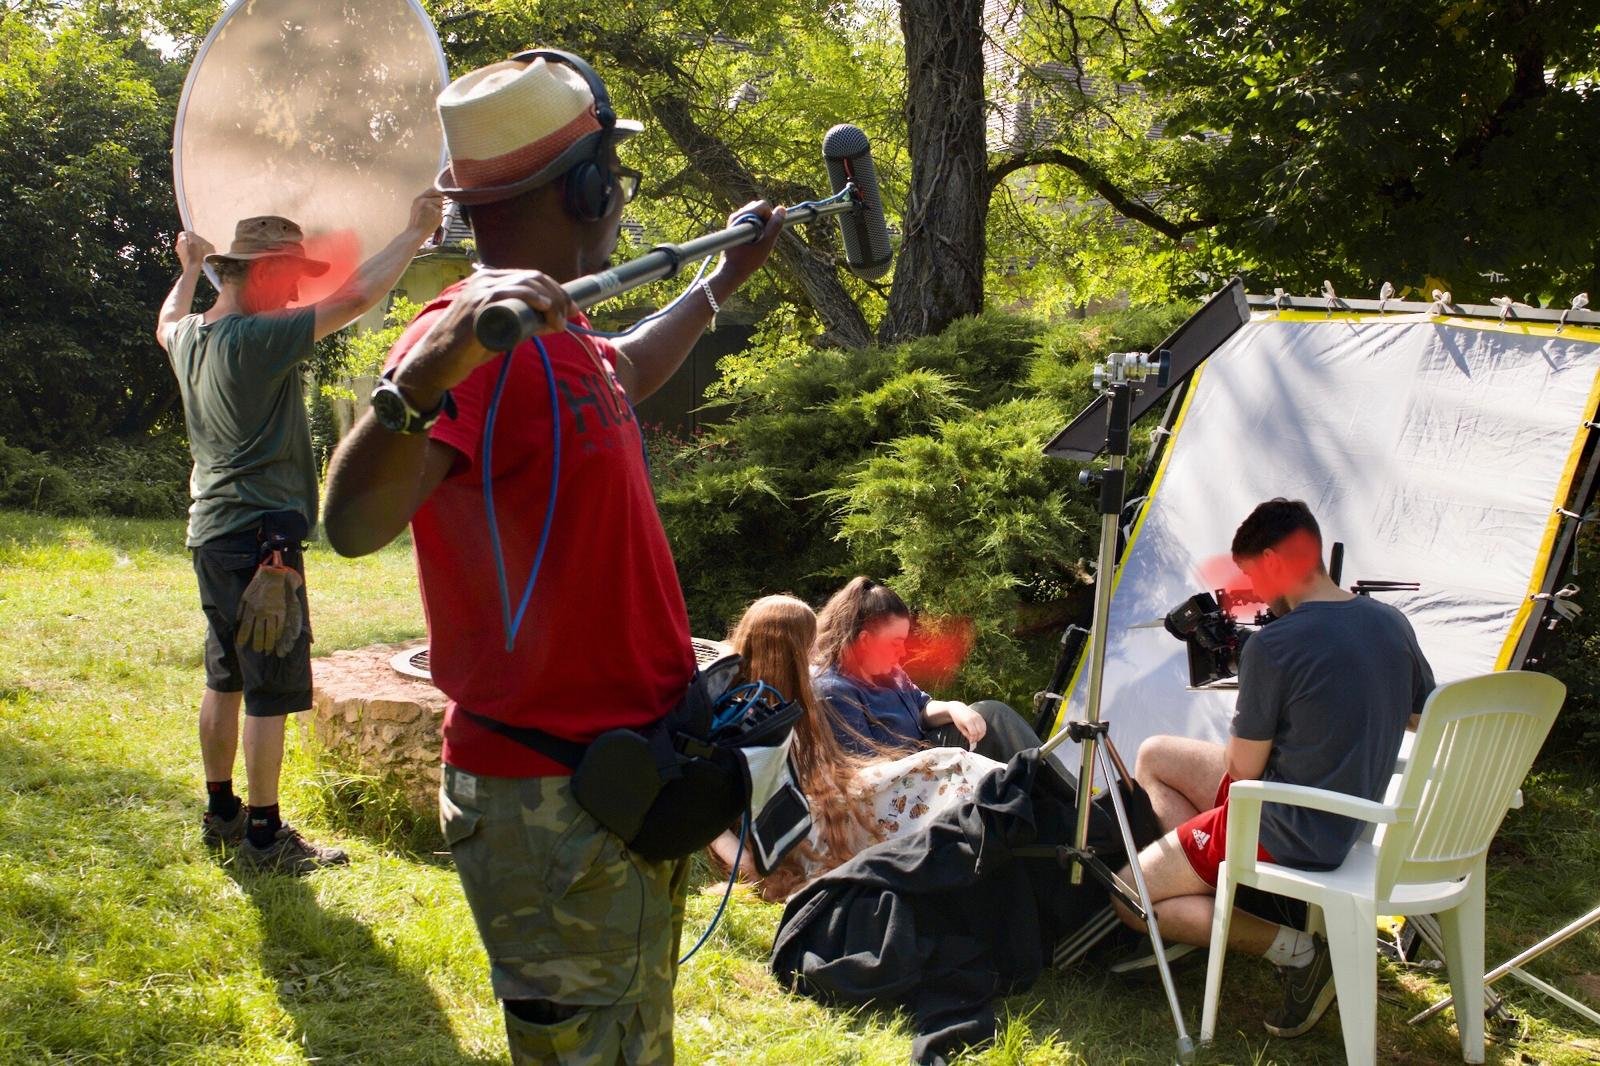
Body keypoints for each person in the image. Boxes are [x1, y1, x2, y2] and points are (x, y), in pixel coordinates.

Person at [318, 50, 783, 1064]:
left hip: (628, 776)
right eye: (611, 172)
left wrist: (716, 283)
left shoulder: (557, 331)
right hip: (550, 800)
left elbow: (631, 367)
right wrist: (431, 370)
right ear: (585, 187)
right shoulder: (466, 345)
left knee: (632, 1043)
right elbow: (350, 523)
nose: (620, 195)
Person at [155, 193, 442, 873]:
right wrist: (414, 231)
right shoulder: (258, 339)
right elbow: (357, 296)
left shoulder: (191, 338)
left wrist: (188, 268)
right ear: (260, 272)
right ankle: (263, 835)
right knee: (267, 688)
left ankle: (220, 811)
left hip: (211, 532)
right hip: (264, 545)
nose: (294, 290)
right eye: (288, 277)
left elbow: (166, 318)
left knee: (223, 676)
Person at [1113, 498, 1435, 1039]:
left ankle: (1299, 954)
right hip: (1353, 813)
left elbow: (1243, 767)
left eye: (1252, 576)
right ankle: (1217, 890)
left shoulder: (1275, 645)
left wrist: (1265, 695)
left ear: (1273, 561)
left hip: (1288, 824)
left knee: (1128, 895)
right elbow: (1419, 715)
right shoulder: (1390, 621)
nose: (1254, 594)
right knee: (1155, 755)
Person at [711, 594, 1003, 900]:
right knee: (949, 765)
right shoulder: (740, 714)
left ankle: (1016, 794)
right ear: (787, 649)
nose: (815, 650)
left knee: (955, 760)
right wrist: (753, 868)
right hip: (813, 831)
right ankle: (1018, 795)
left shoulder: (803, 694)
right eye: (808, 642)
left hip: (837, 805)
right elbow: (713, 815)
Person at [811, 576, 1045, 762]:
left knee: (991, 714)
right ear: (864, 640)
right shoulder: (833, 690)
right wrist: (951, 763)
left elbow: (922, 706)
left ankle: (1067, 796)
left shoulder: (887, 671)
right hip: (906, 786)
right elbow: (867, 770)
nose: (902, 652)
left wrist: (955, 708)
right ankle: (1068, 803)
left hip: (928, 754)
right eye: (895, 643)